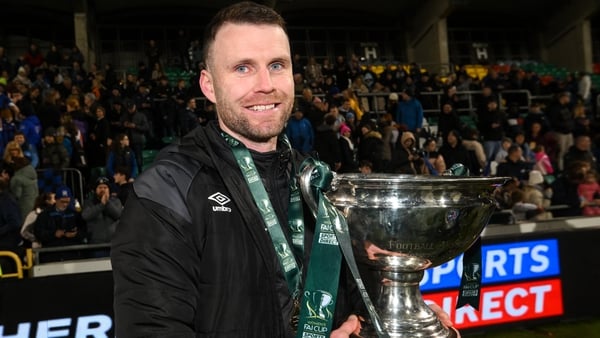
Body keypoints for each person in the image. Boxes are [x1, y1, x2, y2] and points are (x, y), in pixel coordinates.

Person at [111, 3, 457, 338]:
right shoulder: (168, 189)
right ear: (209, 85)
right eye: (242, 68)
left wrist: (398, 317)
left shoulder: (319, 181)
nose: (265, 84)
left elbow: (359, 295)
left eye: (277, 65)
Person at [82, 177, 122, 245]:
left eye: (105, 187)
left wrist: (107, 202)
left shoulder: (116, 201)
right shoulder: (89, 202)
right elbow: (85, 216)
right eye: (100, 187)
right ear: (95, 190)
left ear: (109, 190)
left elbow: (118, 215)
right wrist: (101, 205)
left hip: (114, 242)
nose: (102, 190)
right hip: (96, 243)